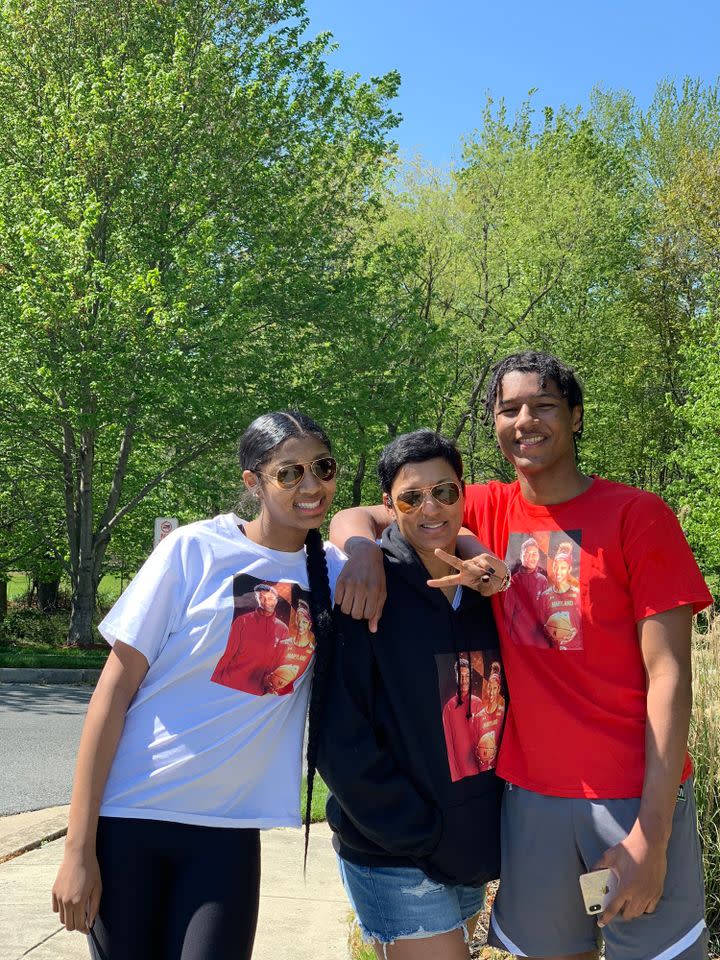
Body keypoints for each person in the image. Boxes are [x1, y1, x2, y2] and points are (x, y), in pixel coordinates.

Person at [329, 351, 713, 960]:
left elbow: (670, 676)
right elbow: (365, 513)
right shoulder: (472, 505)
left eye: (545, 406)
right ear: (495, 424)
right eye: (510, 409)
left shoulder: (638, 517)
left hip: (629, 797)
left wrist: (653, 831)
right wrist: (362, 553)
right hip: (529, 801)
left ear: (577, 418)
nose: (525, 420)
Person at [51, 411, 345, 960]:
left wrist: (374, 551)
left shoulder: (331, 569)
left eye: (322, 468)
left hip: (228, 834)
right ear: (253, 482)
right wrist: (77, 849)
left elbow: (392, 518)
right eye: (289, 473)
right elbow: (112, 694)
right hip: (132, 818)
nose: (311, 485)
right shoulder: (193, 550)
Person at [317, 430, 508, 960]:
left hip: (468, 841)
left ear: (463, 496)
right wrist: (420, 831)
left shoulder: (480, 590)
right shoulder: (365, 590)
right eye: (411, 497)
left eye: (445, 492)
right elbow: (339, 738)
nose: (431, 507)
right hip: (396, 848)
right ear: (387, 505)